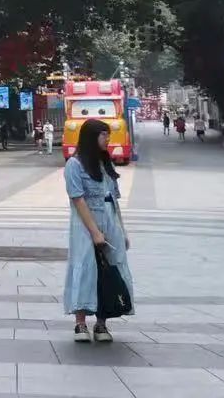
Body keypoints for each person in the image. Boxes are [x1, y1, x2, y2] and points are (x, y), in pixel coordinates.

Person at [63, 118, 134, 344]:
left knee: (110, 268)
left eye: (108, 135)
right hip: (85, 224)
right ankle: (80, 322)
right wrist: (94, 232)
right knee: (85, 267)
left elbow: (114, 200)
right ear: (91, 137)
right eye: (104, 135)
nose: (108, 139)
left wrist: (122, 230)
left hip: (109, 220)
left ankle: (102, 322)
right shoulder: (74, 165)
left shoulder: (105, 164)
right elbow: (78, 199)